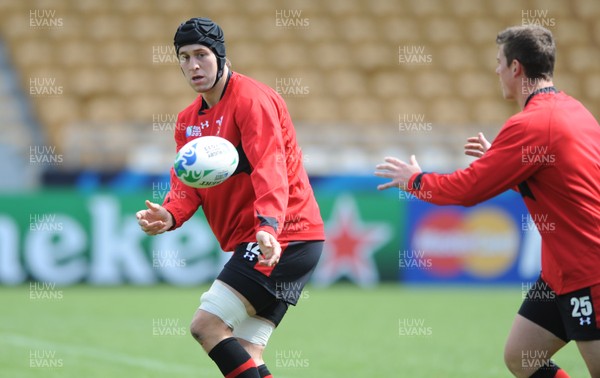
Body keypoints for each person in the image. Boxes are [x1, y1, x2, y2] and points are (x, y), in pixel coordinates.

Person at [375, 25, 600, 378]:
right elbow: (559, 184)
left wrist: (415, 181)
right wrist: (502, 161)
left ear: (516, 68)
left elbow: (468, 190)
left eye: (499, 62)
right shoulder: (573, 110)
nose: (496, 71)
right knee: (522, 355)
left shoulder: (531, 124)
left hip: (588, 270)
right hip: (561, 272)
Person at [136, 17, 325, 378]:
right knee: (247, 349)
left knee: (206, 325)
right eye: (185, 57)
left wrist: (269, 224)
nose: (193, 65)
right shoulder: (187, 120)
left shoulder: (252, 100)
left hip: (285, 234)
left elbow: (271, 165)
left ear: (221, 56)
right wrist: (170, 214)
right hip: (269, 237)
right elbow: (186, 185)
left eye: (202, 55)